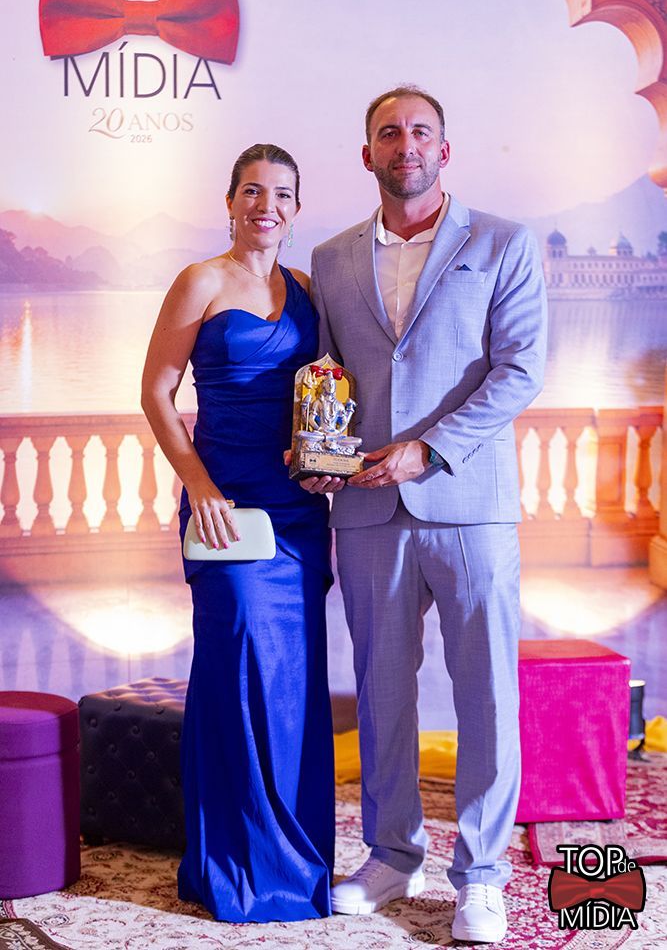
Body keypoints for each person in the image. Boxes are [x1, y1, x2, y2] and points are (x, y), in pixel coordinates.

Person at [302, 86, 547, 943]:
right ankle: (390, 854)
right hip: (367, 509)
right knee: (381, 694)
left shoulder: (503, 243)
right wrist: (320, 456)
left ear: (444, 150)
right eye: (387, 133)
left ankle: (480, 876)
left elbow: (520, 370)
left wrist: (429, 448)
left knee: (486, 695)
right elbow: (326, 377)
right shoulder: (330, 257)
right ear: (366, 153)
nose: (403, 144)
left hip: (470, 505)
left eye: (419, 132)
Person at [141, 144, 334, 923]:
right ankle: (235, 863)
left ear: (295, 208)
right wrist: (198, 485)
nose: (266, 206)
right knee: (240, 666)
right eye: (252, 191)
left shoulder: (308, 289)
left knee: (292, 681)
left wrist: (324, 462)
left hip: (297, 512)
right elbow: (156, 391)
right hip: (223, 507)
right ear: (229, 202)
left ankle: (295, 861)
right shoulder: (200, 280)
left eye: (281, 194)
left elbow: (326, 392)